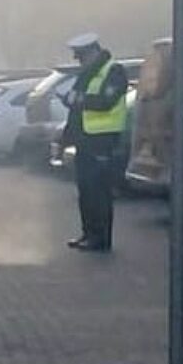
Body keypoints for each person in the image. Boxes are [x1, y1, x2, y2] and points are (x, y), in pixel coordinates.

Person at [60, 33, 129, 252]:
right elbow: (75, 110)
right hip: (85, 139)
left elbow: (106, 101)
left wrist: (76, 99)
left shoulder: (114, 71)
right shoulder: (88, 73)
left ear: (92, 52)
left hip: (103, 140)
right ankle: (88, 233)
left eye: (81, 56)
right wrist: (65, 139)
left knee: (100, 191)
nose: (79, 61)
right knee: (86, 190)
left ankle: (101, 239)